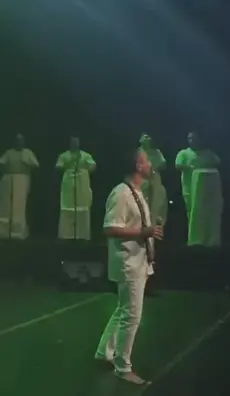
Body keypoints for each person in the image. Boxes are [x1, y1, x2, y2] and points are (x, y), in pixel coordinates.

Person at [95, 148, 162, 385]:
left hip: (138, 260)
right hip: (128, 262)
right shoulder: (122, 193)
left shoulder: (137, 192)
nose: (150, 164)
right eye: (146, 161)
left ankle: (104, 351)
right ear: (137, 166)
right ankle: (123, 367)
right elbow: (110, 228)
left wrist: (149, 232)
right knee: (132, 315)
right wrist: (143, 231)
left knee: (123, 310)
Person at [175, 132, 222, 247]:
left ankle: (208, 238)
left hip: (206, 189)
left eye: (194, 138)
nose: (192, 140)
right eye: (190, 138)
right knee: (192, 212)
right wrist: (188, 167)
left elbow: (217, 161)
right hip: (189, 187)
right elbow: (178, 165)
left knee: (207, 212)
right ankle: (195, 238)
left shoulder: (207, 152)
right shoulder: (184, 153)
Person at [0, 134, 39, 239]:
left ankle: (18, 232)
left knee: (19, 206)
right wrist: (4, 168)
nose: (19, 143)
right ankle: (3, 232)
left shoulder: (28, 152)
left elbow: (36, 166)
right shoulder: (9, 152)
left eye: (21, 140)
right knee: (6, 206)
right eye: (17, 140)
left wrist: (27, 165)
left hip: (22, 179)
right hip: (8, 179)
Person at [56, 137, 96, 240]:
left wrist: (85, 167)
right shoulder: (64, 155)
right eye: (73, 142)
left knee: (82, 207)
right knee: (67, 207)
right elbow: (58, 167)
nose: (74, 144)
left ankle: (82, 235)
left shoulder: (85, 155)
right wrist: (69, 163)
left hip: (82, 183)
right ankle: (67, 234)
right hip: (68, 183)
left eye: (76, 142)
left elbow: (93, 166)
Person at [138, 133, 168, 226]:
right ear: (140, 139)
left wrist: (154, 168)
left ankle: (155, 223)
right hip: (142, 180)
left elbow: (163, 164)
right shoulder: (137, 152)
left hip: (155, 180)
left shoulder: (156, 152)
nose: (148, 138)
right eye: (146, 136)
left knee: (157, 202)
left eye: (149, 137)